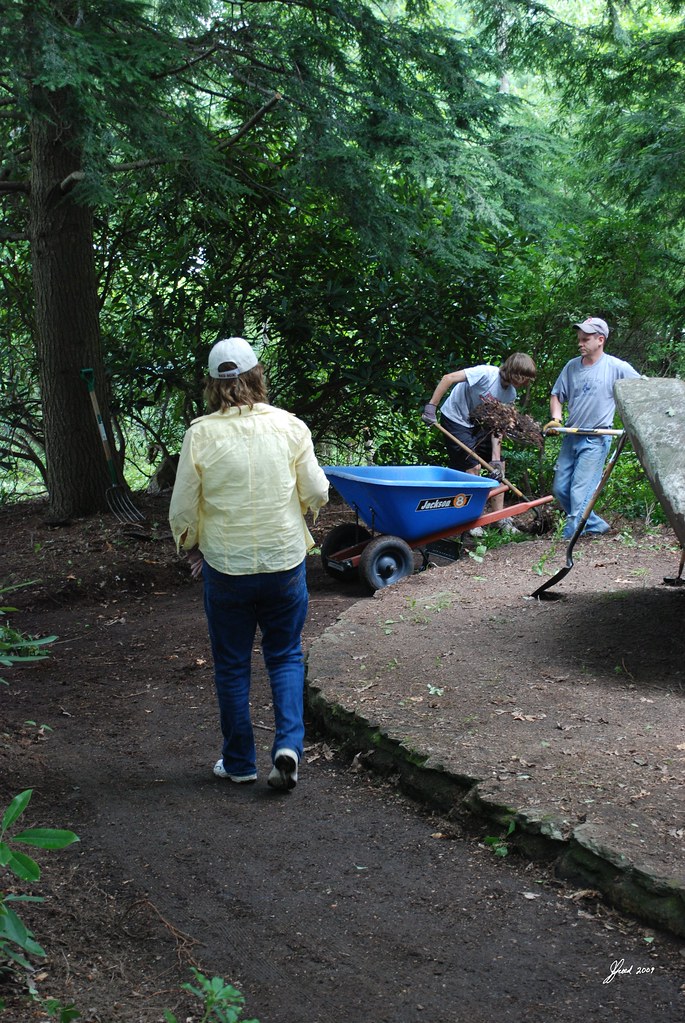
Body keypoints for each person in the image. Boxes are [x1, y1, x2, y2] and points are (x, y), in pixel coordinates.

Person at [169, 337, 329, 792]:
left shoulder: (200, 434)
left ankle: (239, 761)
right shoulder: (291, 427)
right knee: (284, 655)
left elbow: (182, 507)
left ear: (212, 384)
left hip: (227, 568)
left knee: (233, 665)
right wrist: (301, 515)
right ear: (259, 375)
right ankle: (288, 748)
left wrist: (193, 547)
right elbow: (316, 491)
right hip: (284, 563)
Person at [545, 317, 640, 539]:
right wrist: (556, 419)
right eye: (579, 339)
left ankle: (569, 537)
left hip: (596, 438)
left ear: (600, 340)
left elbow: (640, 391)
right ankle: (595, 525)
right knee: (560, 489)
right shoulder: (571, 367)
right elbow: (557, 394)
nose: (580, 343)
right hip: (571, 435)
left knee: (580, 493)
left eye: (585, 339)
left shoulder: (616, 367)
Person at [421, 353, 537, 528]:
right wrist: (431, 407)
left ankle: (499, 519)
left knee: (498, 467)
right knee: (473, 466)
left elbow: (497, 427)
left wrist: (496, 460)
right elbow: (448, 378)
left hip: (478, 424)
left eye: (527, 379)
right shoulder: (485, 373)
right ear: (513, 372)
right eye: (523, 377)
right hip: (456, 419)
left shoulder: (510, 394)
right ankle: (472, 522)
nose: (524, 382)